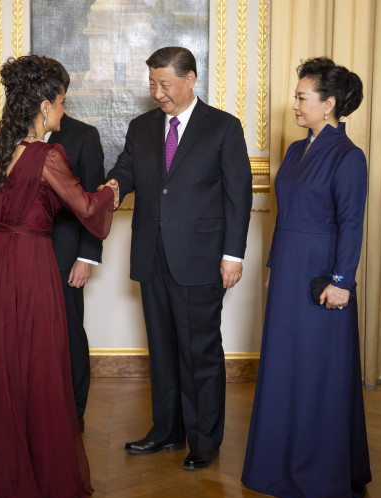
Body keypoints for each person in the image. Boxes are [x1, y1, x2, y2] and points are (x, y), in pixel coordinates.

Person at [0, 55, 117, 498]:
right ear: (42, 105)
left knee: (0, 364)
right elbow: (86, 207)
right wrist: (111, 193)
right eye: (59, 103)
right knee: (36, 366)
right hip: (30, 265)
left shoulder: (3, 148)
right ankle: (31, 473)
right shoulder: (46, 155)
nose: (61, 110)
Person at [107, 46, 253, 471]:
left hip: (203, 259)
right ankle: (166, 431)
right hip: (152, 256)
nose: (157, 92)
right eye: (152, 83)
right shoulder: (141, 127)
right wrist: (111, 190)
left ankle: (204, 440)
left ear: (190, 79)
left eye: (165, 84)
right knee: (163, 349)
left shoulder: (223, 128)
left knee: (200, 352)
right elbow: (125, 170)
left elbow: (237, 197)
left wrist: (233, 255)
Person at [241, 57, 372, 498]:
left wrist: (342, 281)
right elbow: (283, 217)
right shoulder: (296, 151)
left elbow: (352, 224)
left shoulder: (349, 156)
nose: (294, 104)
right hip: (289, 271)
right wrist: (275, 266)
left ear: (328, 104)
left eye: (302, 97)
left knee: (320, 372)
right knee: (286, 367)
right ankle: (276, 467)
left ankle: (320, 472)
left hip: (323, 275)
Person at [0, 113, 106, 432]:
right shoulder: (12, 137)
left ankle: (72, 417)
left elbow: (87, 194)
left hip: (63, 256)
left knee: (68, 334)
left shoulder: (83, 136)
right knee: (17, 337)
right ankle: (22, 415)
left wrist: (87, 257)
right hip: (15, 257)